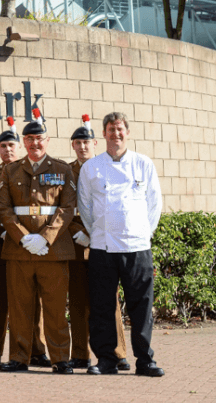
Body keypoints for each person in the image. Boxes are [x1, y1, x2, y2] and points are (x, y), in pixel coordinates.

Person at [78, 112, 164, 377]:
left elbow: (154, 204)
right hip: (103, 247)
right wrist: (99, 233)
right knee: (102, 306)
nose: (115, 134)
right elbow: (85, 207)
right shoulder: (91, 167)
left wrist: (141, 233)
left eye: (120, 129)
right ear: (102, 134)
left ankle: (145, 360)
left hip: (137, 247)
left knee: (141, 306)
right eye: (110, 129)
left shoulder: (143, 164)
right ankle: (106, 360)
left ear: (127, 132)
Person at [0, 109, 75, 374]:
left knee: (54, 309)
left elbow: (67, 209)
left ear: (47, 139)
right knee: (19, 309)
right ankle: (20, 357)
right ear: (24, 142)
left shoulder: (62, 170)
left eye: (39, 138)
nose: (34, 143)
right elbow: (4, 209)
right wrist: (23, 238)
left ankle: (60, 359)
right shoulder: (10, 171)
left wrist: (45, 239)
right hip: (19, 252)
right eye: (29, 139)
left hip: (52, 252)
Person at [0, 117, 51, 368]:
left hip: (28, 242)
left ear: (19, 147)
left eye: (11, 145)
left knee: (33, 297)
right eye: (3, 146)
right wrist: (3, 231)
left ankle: (37, 350)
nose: (7, 149)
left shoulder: (29, 169)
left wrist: (26, 234)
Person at [67, 115, 130, 371]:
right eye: (77, 142)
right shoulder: (64, 171)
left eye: (86, 142)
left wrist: (95, 235)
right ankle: (81, 354)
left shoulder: (106, 166)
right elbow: (62, 210)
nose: (82, 147)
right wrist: (78, 232)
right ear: (73, 146)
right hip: (76, 244)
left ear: (96, 142)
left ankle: (118, 353)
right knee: (79, 301)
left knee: (108, 301)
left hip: (104, 243)